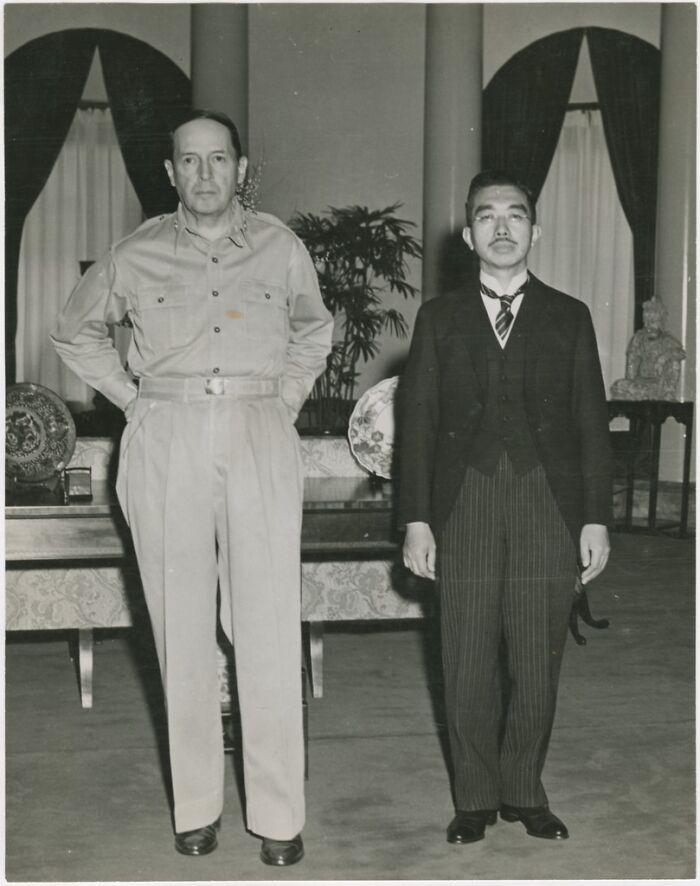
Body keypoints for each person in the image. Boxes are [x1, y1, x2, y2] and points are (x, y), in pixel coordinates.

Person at [51, 109, 333, 866]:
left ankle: (277, 815)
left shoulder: (281, 247)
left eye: (219, 160)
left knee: (268, 626)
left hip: (257, 429)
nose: (205, 174)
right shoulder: (135, 253)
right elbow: (73, 332)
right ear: (170, 173)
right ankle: (198, 807)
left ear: (242, 169)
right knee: (179, 629)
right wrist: (132, 396)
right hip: (166, 432)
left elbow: (314, 330)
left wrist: (285, 400)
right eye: (189, 161)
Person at [398, 170, 612, 845]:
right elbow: (420, 425)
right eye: (486, 216)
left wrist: (595, 518)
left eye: (514, 215)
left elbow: (590, 422)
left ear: (534, 230)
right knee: (464, 656)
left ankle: (524, 788)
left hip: (547, 501)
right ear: (468, 235)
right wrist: (416, 519)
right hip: (464, 500)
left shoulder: (569, 315)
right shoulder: (439, 319)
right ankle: (474, 796)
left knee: (535, 658)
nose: (501, 227)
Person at [611, 296, 686, 400]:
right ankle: (637, 395)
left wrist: (664, 358)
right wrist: (631, 381)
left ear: (661, 321)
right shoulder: (639, 338)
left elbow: (681, 353)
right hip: (640, 382)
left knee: (674, 362)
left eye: (653, 322)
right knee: (619, 386)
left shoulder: (667, 340)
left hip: (659, 385)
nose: (649, 325)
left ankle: (668, 394)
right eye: (646, 321)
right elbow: (631, 364)